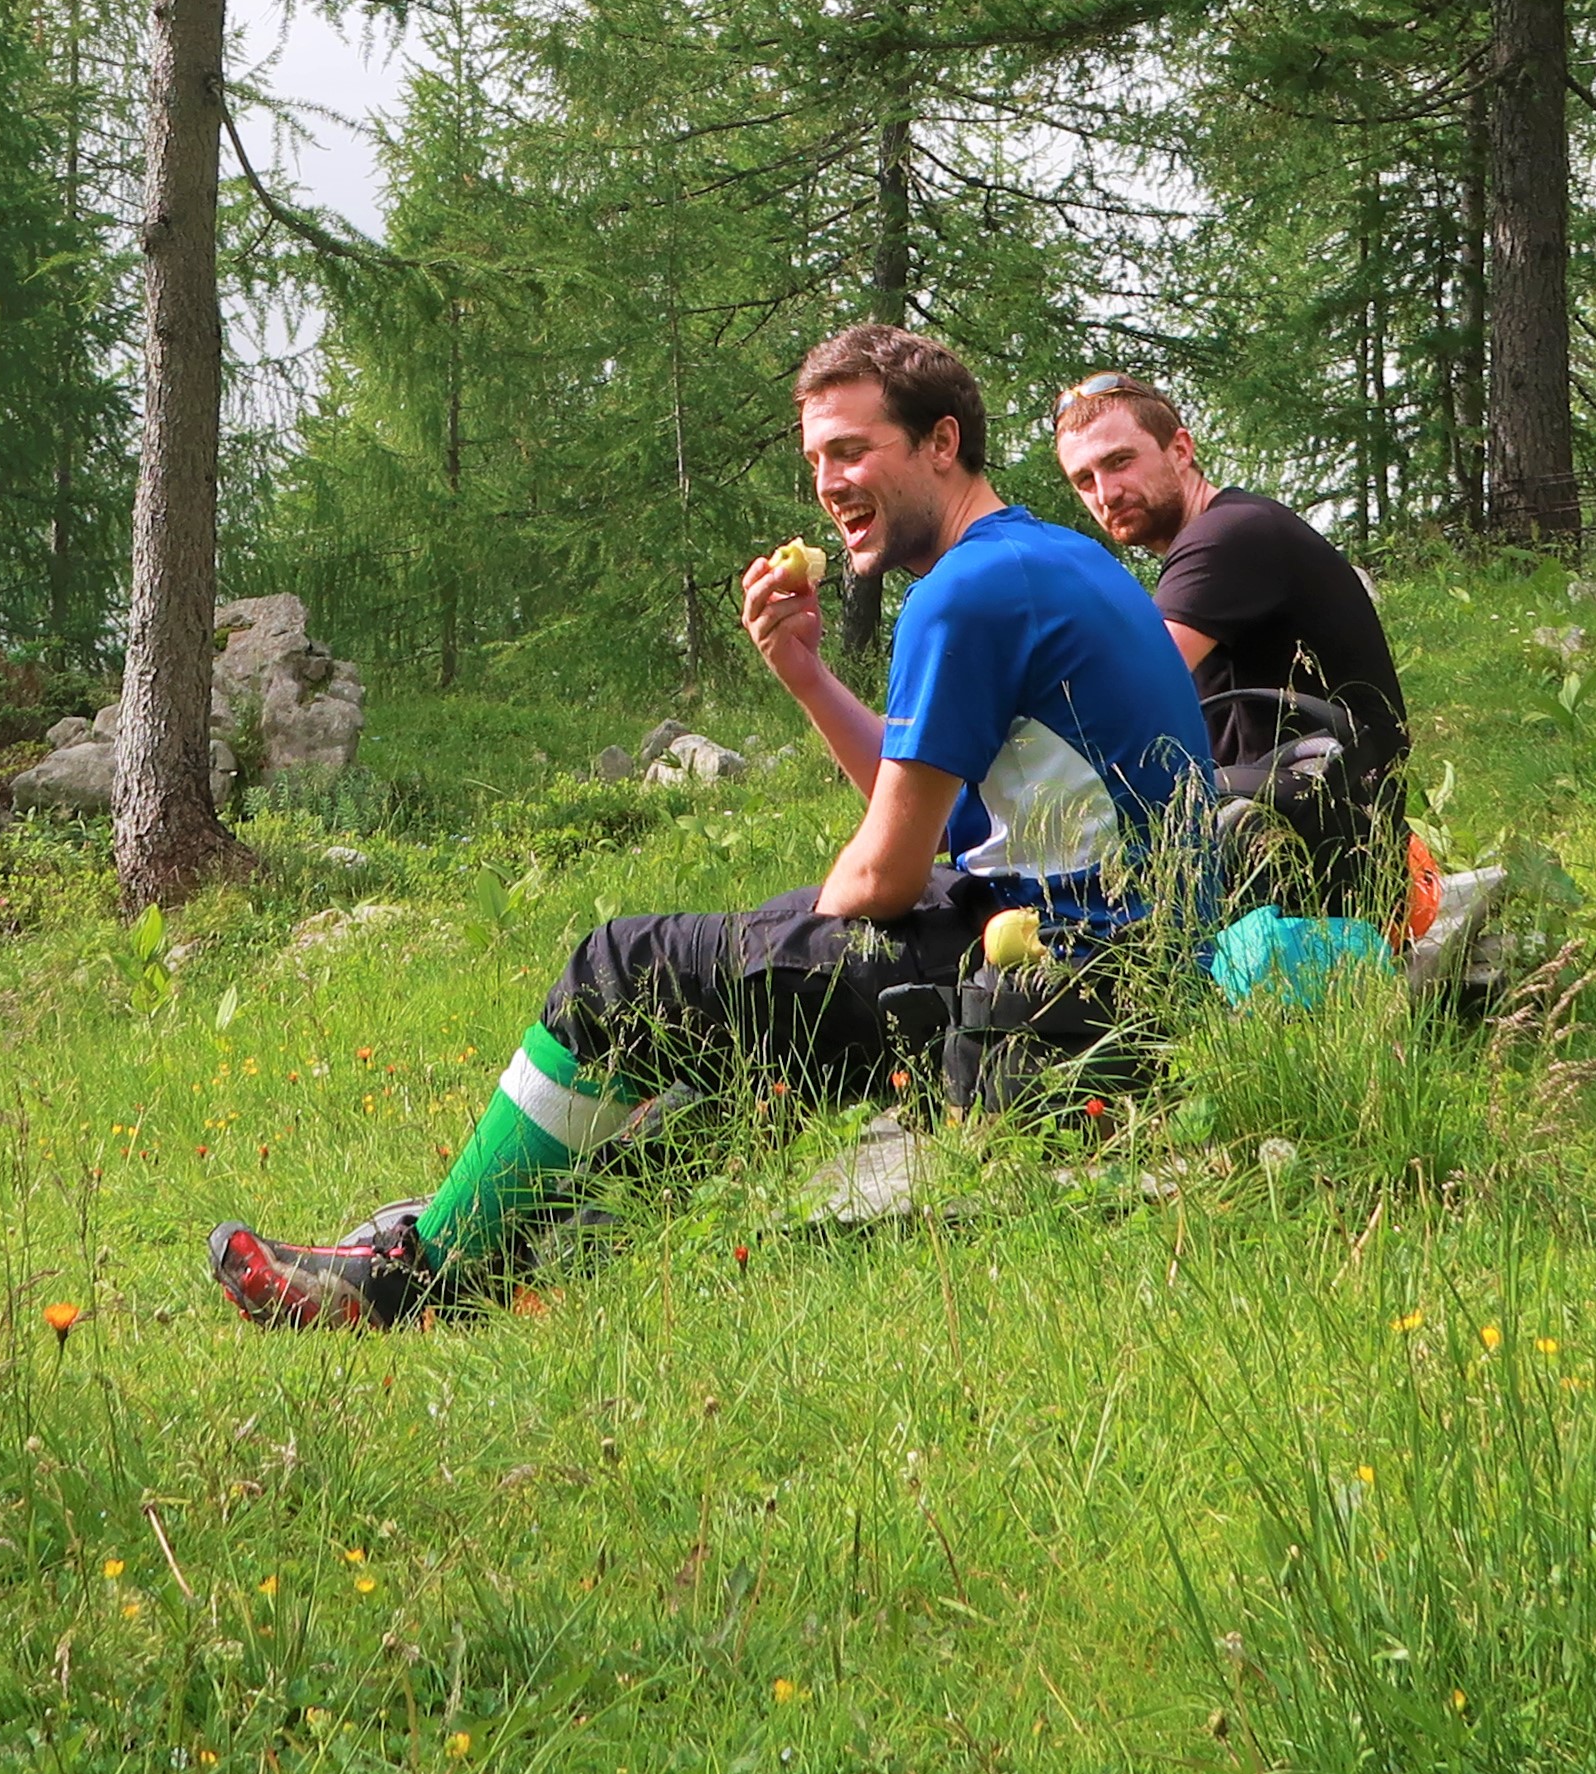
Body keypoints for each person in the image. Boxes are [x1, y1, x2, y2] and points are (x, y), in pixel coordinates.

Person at [208, 323, 1215, 1328]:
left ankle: (423, 1278)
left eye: (854, 449)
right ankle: (511, 1241)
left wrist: (810, 921)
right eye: (816, 457)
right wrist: (806, 674)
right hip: (1121, 961)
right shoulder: (1044, 560)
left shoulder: (963, 595)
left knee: (627, 968)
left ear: (942, 443)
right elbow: (939, 811)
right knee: (742, 982)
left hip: (1066, 991)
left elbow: (888, 876)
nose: (829, 481)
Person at [1046, 374, 1408, 881]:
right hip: (1324, 840)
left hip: (1320, 863)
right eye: (1085, 480)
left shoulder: (1228, 536)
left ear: (1180, 449)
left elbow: (1122, 699)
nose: (1106, 493)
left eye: (1120, 461)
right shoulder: (1228, 534)